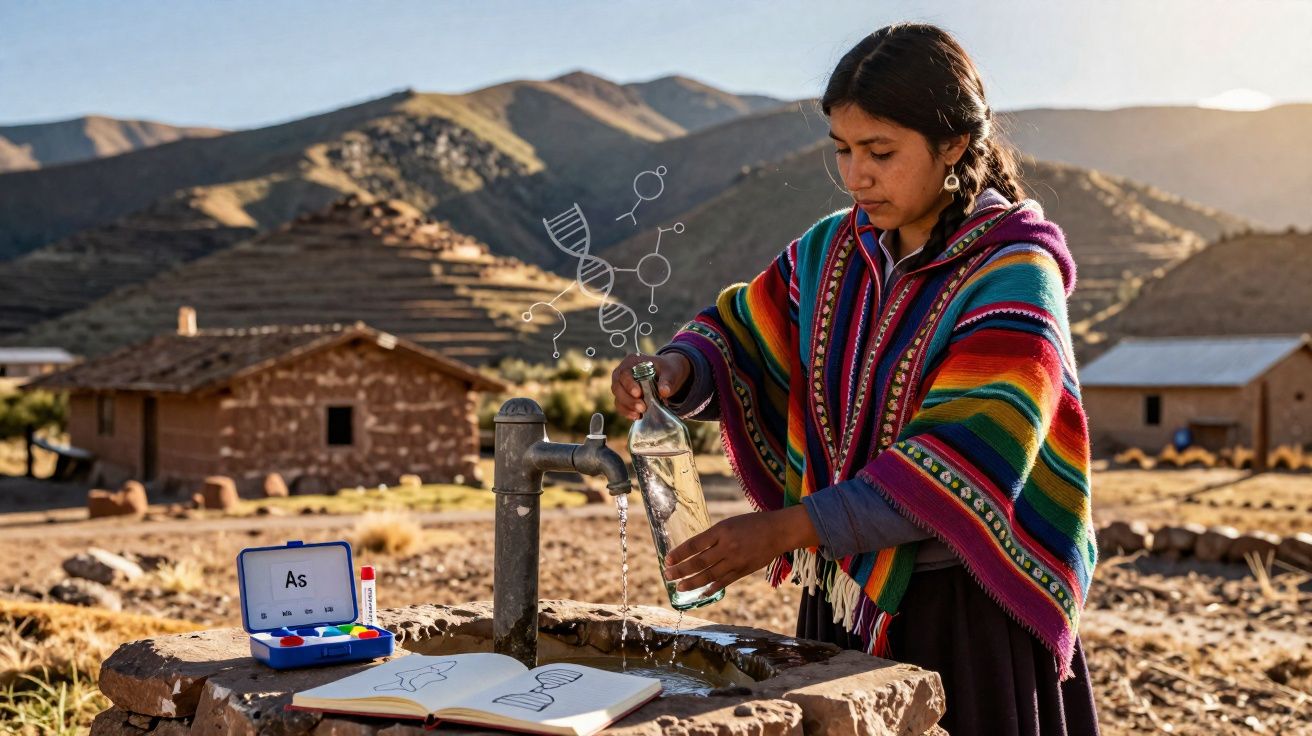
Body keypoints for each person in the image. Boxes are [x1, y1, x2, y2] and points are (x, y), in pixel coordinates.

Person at [610, 22, 1100, 736]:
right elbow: (744, 333)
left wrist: (783, 530)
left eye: (880, 152)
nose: (856, 175)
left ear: (954, 145)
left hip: (965, 610)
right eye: (842, 150)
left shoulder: (1014, 277)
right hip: (845, 594)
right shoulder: (832, 251)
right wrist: (675, 368)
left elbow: (965, 455)